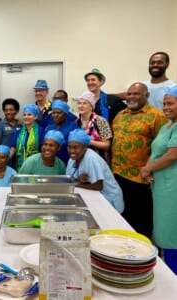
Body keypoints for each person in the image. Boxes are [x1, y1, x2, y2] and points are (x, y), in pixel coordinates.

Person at [112, 82, 167, 237]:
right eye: (129, 94)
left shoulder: (157, 116)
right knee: (123, 218)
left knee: (141, 223)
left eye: (136, 94)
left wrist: (150, 169)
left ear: (147, 95)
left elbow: (161, 147)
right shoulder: (121, 115)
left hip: (141, 178)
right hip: (118, 175)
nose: (131, 97)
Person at [141, 86, 177, 275]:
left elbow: (172, 155)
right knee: (162, 230)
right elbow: (156, 151)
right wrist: (147, 170)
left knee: (172, 232)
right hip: (161, 187)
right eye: (164, 103)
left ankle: (173, 274)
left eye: (170, 103)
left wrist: (149, 169)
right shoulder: (166, 126)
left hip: (173, 188)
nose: (166, 107)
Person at [66, 129, 124, 213]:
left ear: (85, 147)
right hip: (93, 196)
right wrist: (78, 180)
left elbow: (98, 186)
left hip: (108, 198)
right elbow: (70, 179)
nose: (71, 151)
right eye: (69, 147)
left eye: (75, 147)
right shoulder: (72, 158)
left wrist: (77, 184)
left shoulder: (91, 158)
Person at [76, 91, 112, 163]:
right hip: (81, 160)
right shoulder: (76, 122)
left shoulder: (101, 121)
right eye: (79, 103)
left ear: (91, 106)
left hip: (98, 161)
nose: (81, 106)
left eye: (85, 103)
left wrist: (90, 142)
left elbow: (107, 145)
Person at [10, 104, 45, 171]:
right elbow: (12, 149)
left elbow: (43, 150)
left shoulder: (40, 131)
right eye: (24, 115)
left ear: (35, 117)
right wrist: (4, 159)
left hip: (36, 167)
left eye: (29, 114)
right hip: (20, 167)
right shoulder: (19, 132)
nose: (26, 117)